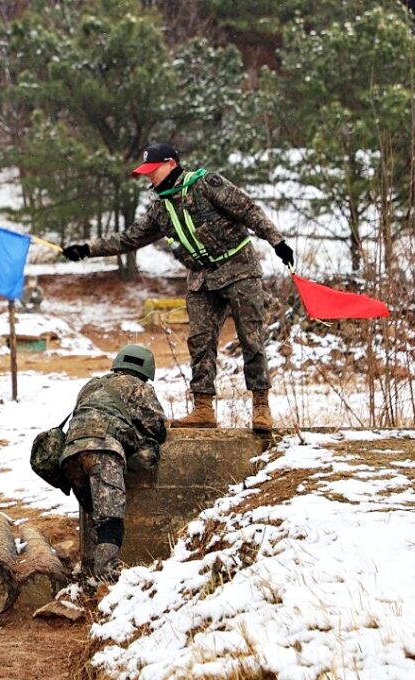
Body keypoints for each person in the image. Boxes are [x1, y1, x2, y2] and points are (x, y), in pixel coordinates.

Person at [63, 143, 295, 432]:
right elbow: (128, 239)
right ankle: (203, 409)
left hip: (239, 269)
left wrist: (277, 241)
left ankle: (261, 407)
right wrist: (86, 249)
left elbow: (248, 211)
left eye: (152, 171)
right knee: (200, 342)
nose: (149, 177)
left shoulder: (207, 184)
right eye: (145, 172)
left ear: (171, 164)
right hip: (202, 278)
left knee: (251, 337)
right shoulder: (160, 208)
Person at [60, 344, 167, 579]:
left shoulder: (91, 385)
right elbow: (158, 428)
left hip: (69, 456)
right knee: (110, 519)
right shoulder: (138, 387)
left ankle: (89, 570)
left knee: (95, 513)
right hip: (103, 451)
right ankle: (106, 579)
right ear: (146, 372)